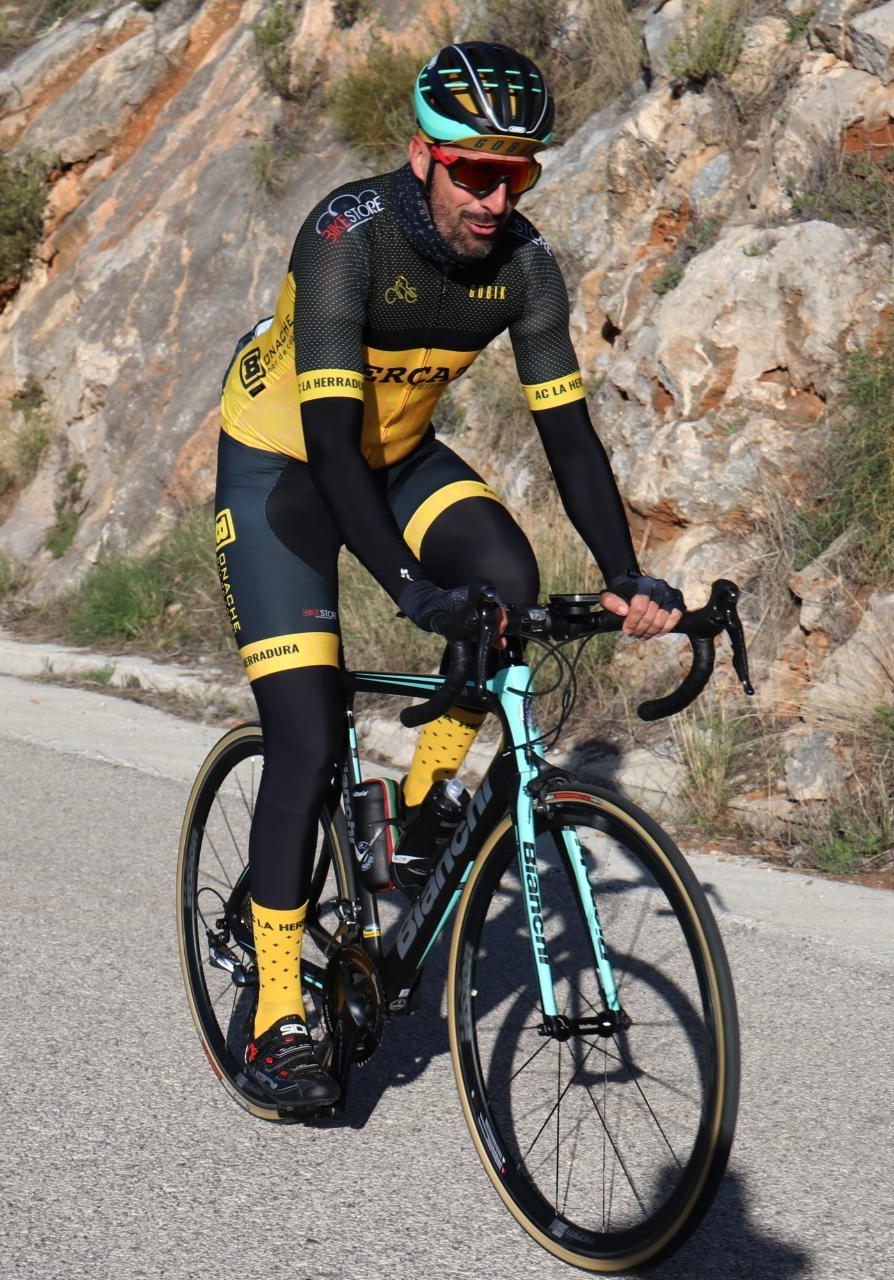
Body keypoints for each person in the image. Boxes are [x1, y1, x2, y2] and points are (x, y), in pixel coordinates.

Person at [213, 41, 686, 1110]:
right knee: (306, 734)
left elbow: (568, 437)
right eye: (475, 171)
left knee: (507, 581)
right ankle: (278, 1013)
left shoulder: (524, 265)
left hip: (395, 454)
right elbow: (330, 449)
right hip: (286, 466)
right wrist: (406, 587)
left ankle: (424, 805)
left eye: (517, 174)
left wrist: (625, 573)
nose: (495, 197)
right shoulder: (348, 237)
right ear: (424, 153)